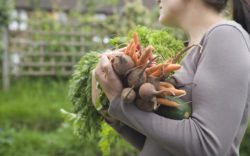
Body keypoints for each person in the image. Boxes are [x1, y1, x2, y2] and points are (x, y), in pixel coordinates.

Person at [93, 0, 250, 155]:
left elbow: (207, 146)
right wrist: (111, 111)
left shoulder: (226, 35)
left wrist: (119, 103)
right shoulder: (184, 53)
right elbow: (161, 145)